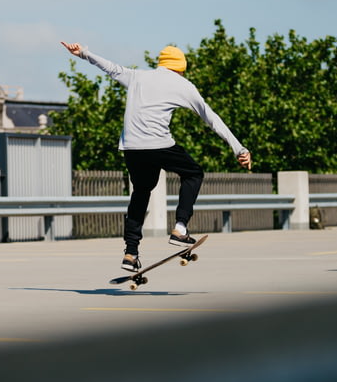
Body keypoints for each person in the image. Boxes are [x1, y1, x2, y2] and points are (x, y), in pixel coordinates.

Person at [60, 41, 252, 271]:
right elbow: (210, 118)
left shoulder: (137, 77)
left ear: (161, 63)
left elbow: (110, 67)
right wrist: (239, 149)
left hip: (131, 147)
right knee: (193, 173)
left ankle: (130, 253)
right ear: (181, 67)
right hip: (159, 145)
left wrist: (84, 53)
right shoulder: (183, 85)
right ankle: (180, 228)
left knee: (141, 193)